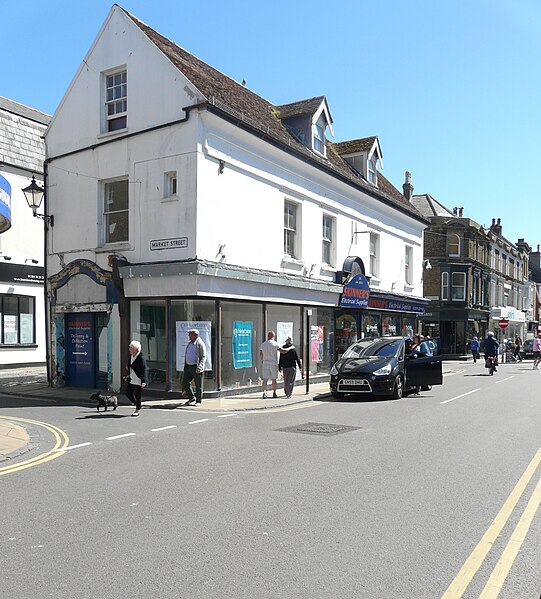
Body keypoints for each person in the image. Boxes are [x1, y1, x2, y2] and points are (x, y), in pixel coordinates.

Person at [259, 331, 291, 399]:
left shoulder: (263, 344)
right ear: (274, 336)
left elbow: (261, 355)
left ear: (268, 336)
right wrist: (289, 349)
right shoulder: (275, 344)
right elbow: (282, 351)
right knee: (274, 380)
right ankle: (274, 393)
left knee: (265, 379)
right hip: (273, 363)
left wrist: (262, 361)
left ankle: (264, 393)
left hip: (265, 363)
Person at [183, 328, 207, 405]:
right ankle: (191, 398)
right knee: (185, 382)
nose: (189, 336)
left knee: (198, 384)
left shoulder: (200, 344)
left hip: (196, 367)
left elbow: (203, 356)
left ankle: (199, 400)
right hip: (188, 366)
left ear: (195, 335)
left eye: (190, 335)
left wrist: (200, 366)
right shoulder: (189, 343)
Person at [125, 340, 147, 417]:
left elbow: (144, 370)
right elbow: (129, 365)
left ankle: (137, 409)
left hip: (139, 379)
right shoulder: (131, 356)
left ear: (136, 349)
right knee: (128, 393)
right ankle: (136, 403)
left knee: (138, 395)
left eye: (131, 348)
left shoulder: (141, 358)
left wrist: (144, 381)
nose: (129, 349)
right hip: (132, 378)